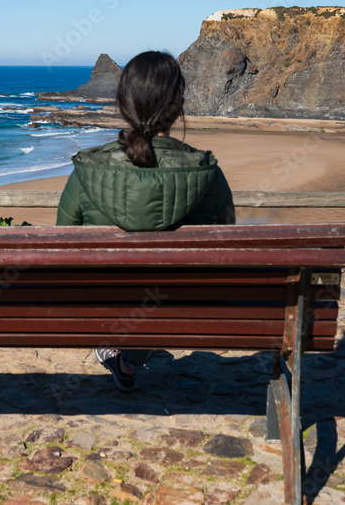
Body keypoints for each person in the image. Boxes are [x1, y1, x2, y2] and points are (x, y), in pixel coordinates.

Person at [56, 50, 235, 391]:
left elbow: (62, 244)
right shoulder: (208, 174)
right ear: (179, 105)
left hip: (104, 305)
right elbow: (226, 247)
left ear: (123, 103)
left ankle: (126, 354)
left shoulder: (87, 172)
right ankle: (133, 355)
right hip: (185, 310)